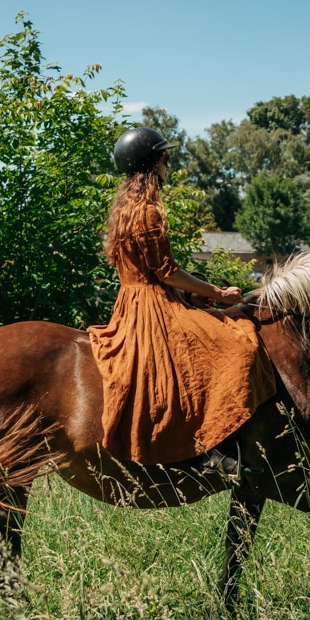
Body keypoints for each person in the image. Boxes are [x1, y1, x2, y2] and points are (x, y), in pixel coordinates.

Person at [88, 127, 276, 478]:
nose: (169, 166)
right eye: (166, 159)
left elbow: (149, 271)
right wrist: (217, 294)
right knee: (237, 347)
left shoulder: (125, 212)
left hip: (132, 301)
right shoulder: (148, 212)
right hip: (152, 308)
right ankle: (217, 450)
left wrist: (191, 295)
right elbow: (167, 271)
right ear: (154, 163)